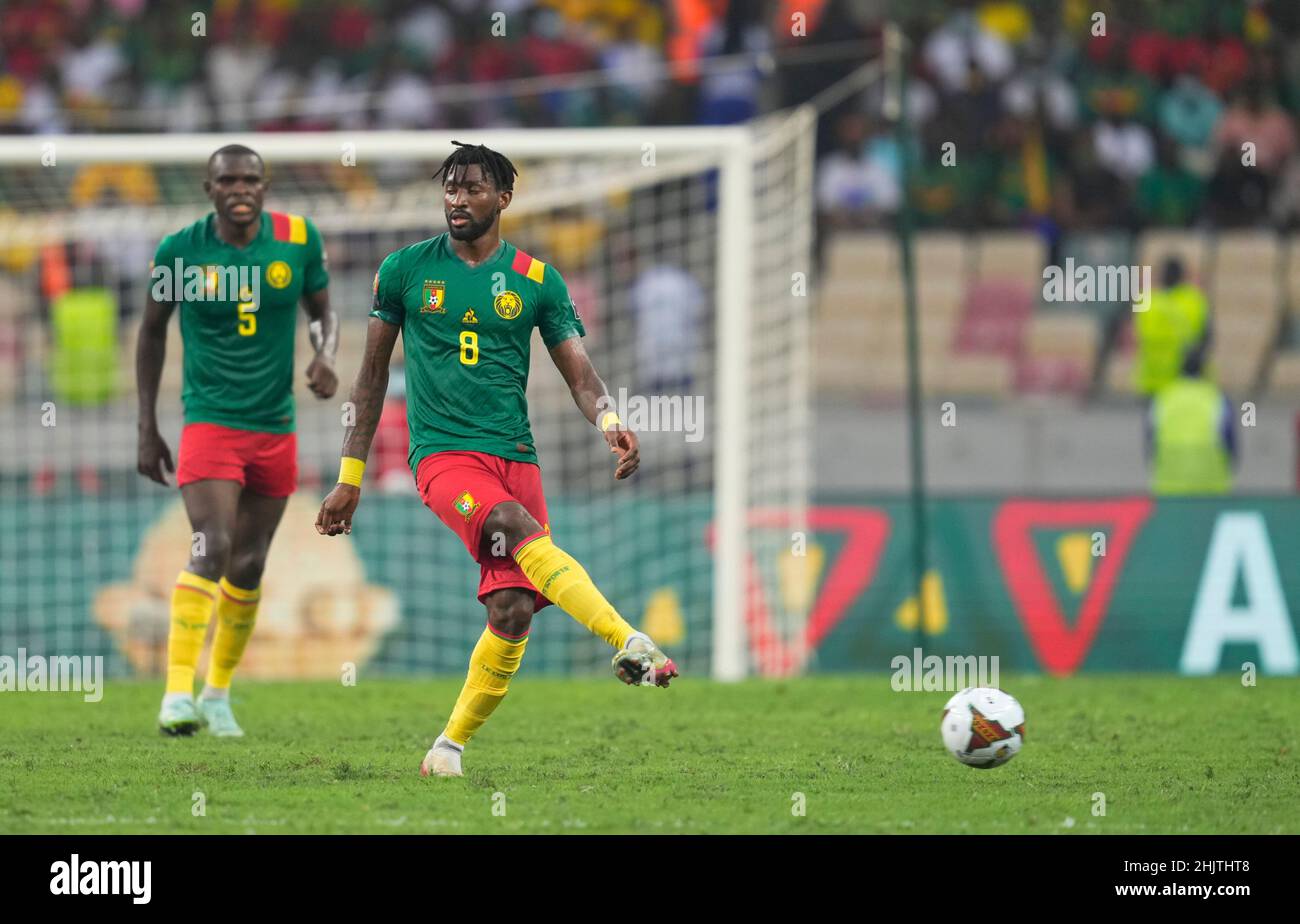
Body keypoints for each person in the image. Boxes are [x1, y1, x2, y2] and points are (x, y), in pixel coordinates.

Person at [315, 142, 678, 778]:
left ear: (503, 198)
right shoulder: (402, 271)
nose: (458, 199)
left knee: (510, 613)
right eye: (450, 189)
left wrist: (611, 421)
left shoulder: (538, 280)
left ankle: (446, 749)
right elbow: (369, 381)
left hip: (517, 456)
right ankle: (629, 640)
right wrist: (351, 477)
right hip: (443, 457)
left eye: (473, 189)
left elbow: (580, 373)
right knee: (509, 523)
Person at [137, 144, 337, 737]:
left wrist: (324, 354)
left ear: (265, 185)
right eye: (228, 180)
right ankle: (176, 694)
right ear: (209, 189)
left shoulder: (299, 238)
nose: (240, 188)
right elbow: (151, 332)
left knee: (249, 566)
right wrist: (146, 426)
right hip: (210, 422)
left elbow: (322, 309)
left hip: (275, 427)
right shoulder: (180, 251)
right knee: (212, 544)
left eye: (251, 178)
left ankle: (217, 693)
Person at [1147, 348, 1235, 496]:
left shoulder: (1163, 398)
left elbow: (1150, 441)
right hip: (1210, 485)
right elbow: (1231, 443)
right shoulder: (1217, 398)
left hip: (1169, 486)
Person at [1133, 256, 1209, 397]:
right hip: (1184, 379)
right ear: (1183, 276)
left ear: (1159, 276)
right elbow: (1206, 337)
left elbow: (1135, 335)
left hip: (1152, 379)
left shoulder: (1146, 300)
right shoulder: (1194, 300)